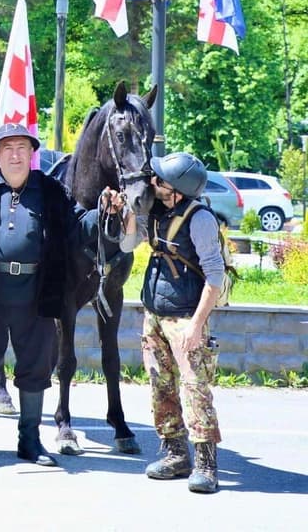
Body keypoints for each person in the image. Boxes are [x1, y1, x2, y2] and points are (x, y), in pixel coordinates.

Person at [0, 122, 94, 467]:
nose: (15, 155)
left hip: (38, 294)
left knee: (35, 369)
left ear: (32, 154)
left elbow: (80, 227)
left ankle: (29, 441)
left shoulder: (51, 191)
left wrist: (108, 216)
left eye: (22, 148)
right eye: (7, 148)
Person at [117, 152, 224, 493]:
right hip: (155, 316)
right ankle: (175, 453)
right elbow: (128, 243)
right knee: (160, 387)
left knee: (194, 390)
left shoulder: (200, 219)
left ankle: (206, 464)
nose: (153, 182)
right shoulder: (160, 214)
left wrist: (196, 327)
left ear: (176, 189)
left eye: (159, 180)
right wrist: (129, 213)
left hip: (185, 318)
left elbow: (215, 277)